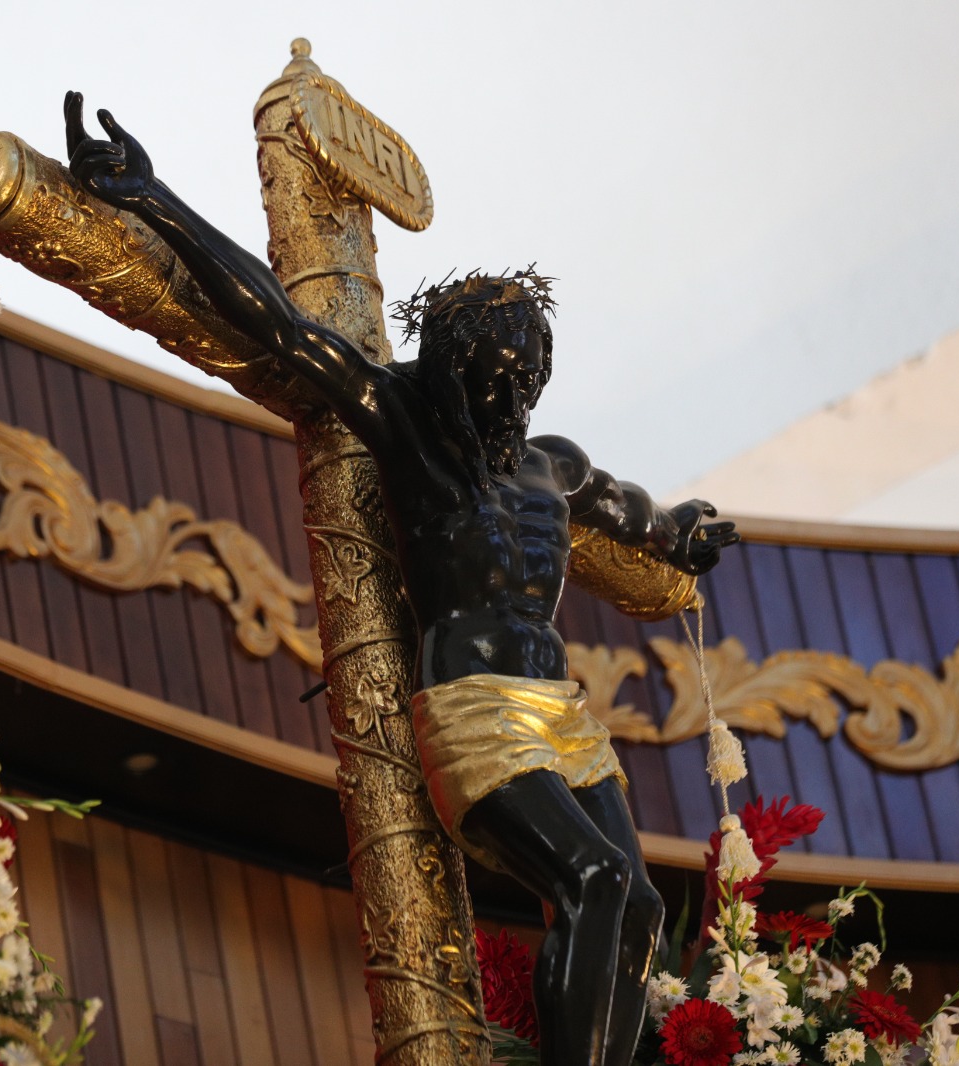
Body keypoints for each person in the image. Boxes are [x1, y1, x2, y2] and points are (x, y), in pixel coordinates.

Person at [64, 93, 737, 1065]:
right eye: (490, 379)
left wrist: (683, 534)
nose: (507, 399)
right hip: (475, 706)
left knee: (636, 906)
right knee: (591, 879)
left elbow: (639, 515)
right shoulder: (411, 433)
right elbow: (281, 326)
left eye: (524, 379)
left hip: (563, 713)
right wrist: (151, 197)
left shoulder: (551, 466)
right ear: (450, 369)